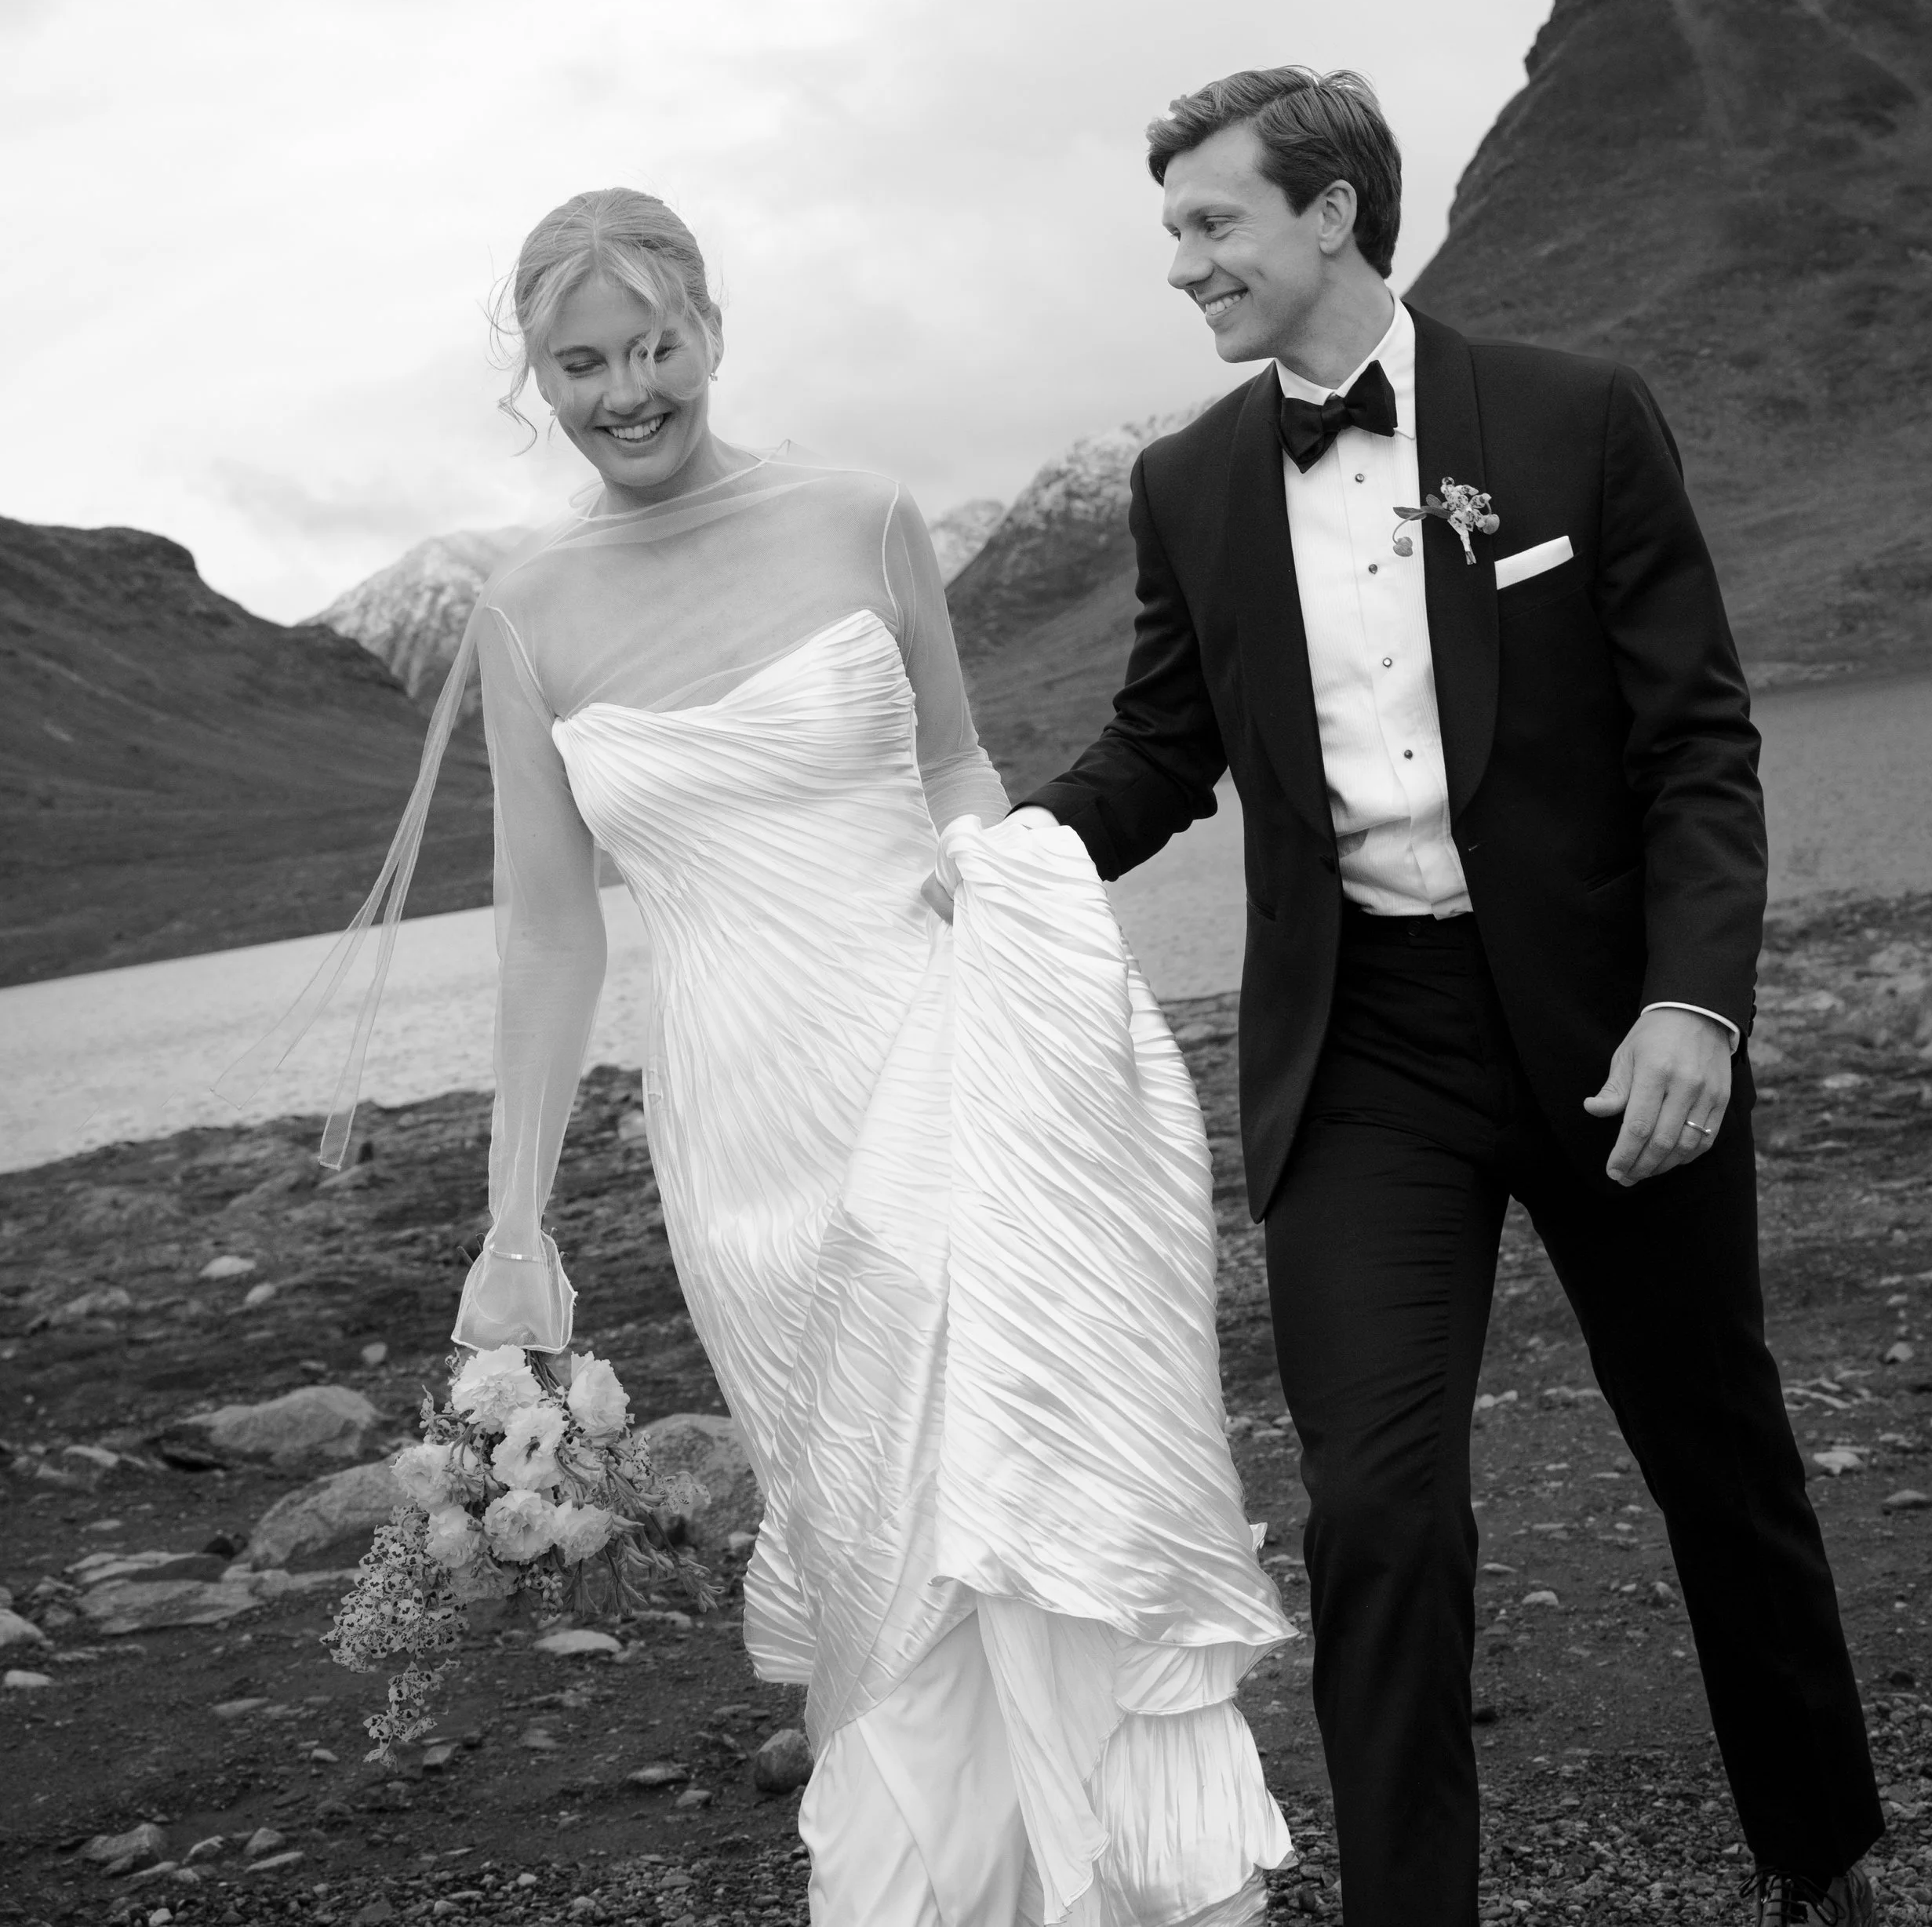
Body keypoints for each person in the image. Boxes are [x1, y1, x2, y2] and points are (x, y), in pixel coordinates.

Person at [279, 187, 1293, 1927]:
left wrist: (1010, 900)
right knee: (872, 1534)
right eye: (579, 363)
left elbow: (961, 769)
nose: (625, 391)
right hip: (743, 1131)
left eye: (652, 345)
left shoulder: (860, 516)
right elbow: (548, 931)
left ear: (711, 330)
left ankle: (1132, 1891)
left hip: (945, 1056)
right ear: (537, 380)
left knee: (1022, 1476)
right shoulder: (523, 616)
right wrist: (511, 1226)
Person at [1013, 69, 1882, 1927]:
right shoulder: (1188, 487)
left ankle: (1820, 1856)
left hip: (1601, 1030)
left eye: (1207, 222)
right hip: (1366, 1055)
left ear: (1328, 213)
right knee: (1377, 1512)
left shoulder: (1574, 419)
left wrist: (1693, 1008)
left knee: (1715, 1464)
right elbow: (1159, 748)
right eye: (1170, 230)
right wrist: (1001, 863)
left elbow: (1697, 745)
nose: (1180, 266)